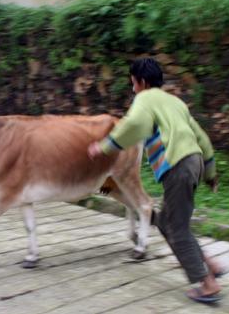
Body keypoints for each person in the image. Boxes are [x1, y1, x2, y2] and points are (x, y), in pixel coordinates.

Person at [88, 58, 222, 304]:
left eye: (133, 83)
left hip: (178, 167)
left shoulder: (145, 99)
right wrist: (211, 174)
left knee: (176, 229)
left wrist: (104, 147)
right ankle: (209, 263)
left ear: (142, 82)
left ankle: (207, 284)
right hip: (194, 162)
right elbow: (201, 137)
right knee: (164, 221)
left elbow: (134, 125)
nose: (132, 89)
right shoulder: (176, 102)